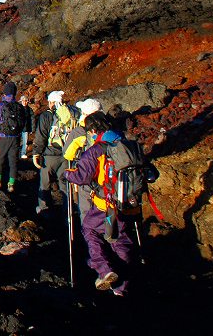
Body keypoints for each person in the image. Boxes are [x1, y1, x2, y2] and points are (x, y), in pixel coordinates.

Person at [64, 113, 137, 295]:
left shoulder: (97, 150)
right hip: (130, 203)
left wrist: (67, 174)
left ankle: (104, 269)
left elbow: (81, 176)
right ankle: (122, 287)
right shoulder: (128, 144)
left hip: (106, 204)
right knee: (119, 238)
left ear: (94, 130)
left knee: (90, 230)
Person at [33, 90, 76, 214]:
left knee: (45, 183)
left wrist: (37, 152)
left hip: (50, 154)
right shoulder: (70, 113)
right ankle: (68, 210)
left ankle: (44, 209)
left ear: (51, 102)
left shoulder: (46, 116)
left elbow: (41, 136)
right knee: (64, 183)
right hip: (67, 154)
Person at [64, 98, 103, 214]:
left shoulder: (80, 131)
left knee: (87, 211)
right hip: (107, 178)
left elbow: (67, 154)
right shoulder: (109, 126)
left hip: (88, 176)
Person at [0, 82, 25, 192]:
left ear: (5, 93)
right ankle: (11, 184)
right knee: (13, 161)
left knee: (0, 158)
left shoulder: (0, 105)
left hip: (2, 137)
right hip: (16, 137)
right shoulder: (19, 107)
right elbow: (23, 122)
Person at [19, 95, 33, 159]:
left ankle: (23, 153)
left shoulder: (29, 110)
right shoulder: (18, 109)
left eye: (25, 101)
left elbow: (32, 119)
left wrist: (32, 128)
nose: (24, 102)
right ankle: (17, 153)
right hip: (19, 128)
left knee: (25, 142)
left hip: (26, 128)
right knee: (17, 142)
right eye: (23, 101)